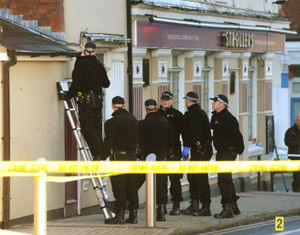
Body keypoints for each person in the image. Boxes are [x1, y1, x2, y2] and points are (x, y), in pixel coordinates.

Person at [58, 42, 110, 159]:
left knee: (87, 128)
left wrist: (68, 96)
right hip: (98, 101)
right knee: (97, 128)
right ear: (95, 52)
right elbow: (106, 83)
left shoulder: (81, 64)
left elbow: (76, 83)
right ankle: (99, 153)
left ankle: (99, 153)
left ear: (84, 51)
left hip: (86, 101)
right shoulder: (99, 64)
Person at [102, 96, 139, 224]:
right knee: (132, 186)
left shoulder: (111, 122)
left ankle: (120, 215)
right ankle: (134, 215)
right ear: (124, 106)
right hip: (133, 157)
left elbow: (108, 142)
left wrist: (100, 157)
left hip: (118, 157)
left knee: (119, 186)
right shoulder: (134, 120)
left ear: (113, 106)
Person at [210, 94, 244, 218]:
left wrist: (239, 149)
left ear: (222, 104)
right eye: (213, 101)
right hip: (221, 151)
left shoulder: (228, 118)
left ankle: (227, 208)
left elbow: (236, 136)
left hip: (228, 151)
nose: (213, 103)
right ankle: (234, 205)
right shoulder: (216, 117)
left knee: (223, 180)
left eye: (215, 102)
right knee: (227, 179)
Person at [139, 99, 173, 221]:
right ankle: (161, 211)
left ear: (146, 109)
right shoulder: (165, 122)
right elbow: (171, 140)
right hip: (162, 157)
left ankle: (130, 207)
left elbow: (140, 141)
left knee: (136, 181)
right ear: (157, 109)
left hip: (147, 158)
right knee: (161, 184)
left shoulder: (143, 123)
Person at [180, 91, 213, 217]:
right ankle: (194, 204)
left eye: (186, 101)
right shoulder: (198, 112)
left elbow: (196, 133)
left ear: (188, 101)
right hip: (198, 149)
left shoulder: (194, 114)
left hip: (201, 149)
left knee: (201, 178)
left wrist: (188, 146)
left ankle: (205, 206)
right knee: (193, 177)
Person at [158, 91, 185, 216]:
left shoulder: (177, 115)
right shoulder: (156, 114)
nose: (164, 101)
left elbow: (186, 133)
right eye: (163, 99)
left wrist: (188, 147)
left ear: (172, 101)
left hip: (174, 151)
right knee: (161, 180)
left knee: (174, 179)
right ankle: (161, 205)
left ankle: (176, 204)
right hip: (160, 151)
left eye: (167, 99)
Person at [284, 116, 300, 192]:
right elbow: (287, 142)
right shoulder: (290, 131)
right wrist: (297, 144)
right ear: (295, 121)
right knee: (296, 172)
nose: (299, 121)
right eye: (297, 120)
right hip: (295, 155)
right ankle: (296, 187)